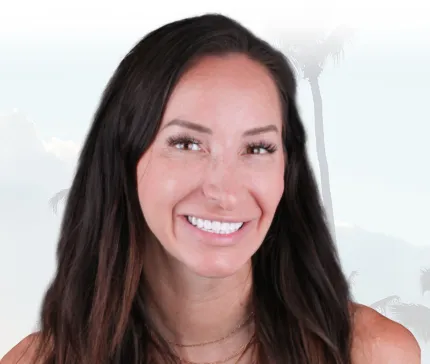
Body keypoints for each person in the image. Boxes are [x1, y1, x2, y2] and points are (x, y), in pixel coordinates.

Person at [2, 13, 420, 364]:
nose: (225, 190)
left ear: (285, 173)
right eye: (186, 143)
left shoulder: (370, 353)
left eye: (257, 147)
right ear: (124, 158)